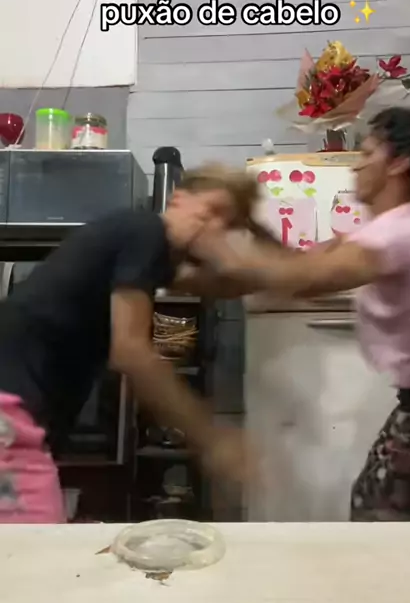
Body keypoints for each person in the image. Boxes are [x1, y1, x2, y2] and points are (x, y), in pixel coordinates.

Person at [190, 108, 410, 521]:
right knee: (377, 509)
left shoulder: (400, 233)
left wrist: (206, 237)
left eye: (368, 153)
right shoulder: (392, 226)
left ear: (398, 164)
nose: (356, 166)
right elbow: (298, 269)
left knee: (406, 527)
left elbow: (307, 278)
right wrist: (247, 225)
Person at [0, 163, 260, 523]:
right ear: (177, 199)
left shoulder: (142, 254)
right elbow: (132, 352)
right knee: (35, 544)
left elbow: (227, 282)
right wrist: (211, 438)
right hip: (8, 413)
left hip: (18, 414)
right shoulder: (146, 230)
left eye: (226, 223)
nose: (213, 227)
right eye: (211, 210)